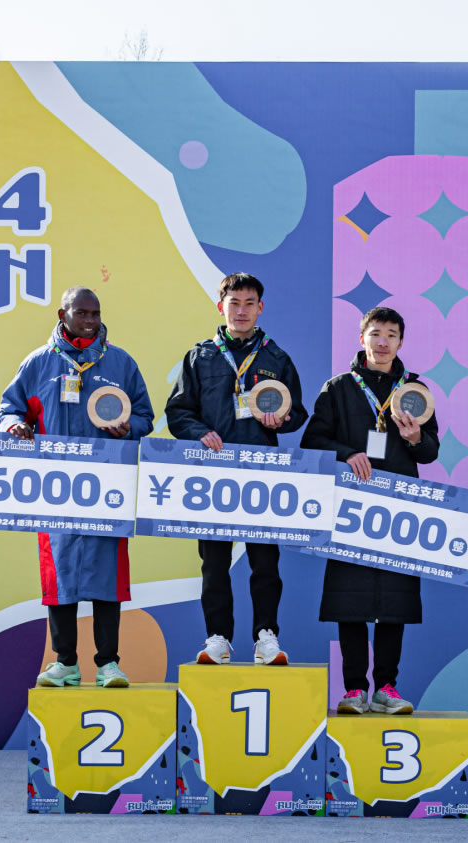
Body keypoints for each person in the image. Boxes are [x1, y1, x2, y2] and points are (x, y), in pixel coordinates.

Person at [0, 287, 154, 689]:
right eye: (81, 312)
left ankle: (108, 664)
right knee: (59, 575)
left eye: (95, 313)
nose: (90, 320)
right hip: (56, 489)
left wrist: (128, 429)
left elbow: (145, 416)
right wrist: (15, 426)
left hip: (108, 487)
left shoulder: (120, 362)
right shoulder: (39, 363)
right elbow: (8, 409)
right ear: (62, 314)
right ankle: (65, 662)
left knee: (108, 577)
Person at [301, 306, 439, 715]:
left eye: (391, 335)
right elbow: (312, 440)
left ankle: (387, 687)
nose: (383, 342)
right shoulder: (339, 388)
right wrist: (347, 453)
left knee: (395, 600)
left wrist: (414, 439)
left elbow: (431, 452)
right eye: (376, 333)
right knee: (352, 600)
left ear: (401, 341)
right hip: (352, 506)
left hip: (398, 507)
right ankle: (354, 689)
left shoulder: (415, 390)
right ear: (362, 338)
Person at [165, 272, 308, 665]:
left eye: (249, 304)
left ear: (260, 308)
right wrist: (200, 432)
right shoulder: (200, 356)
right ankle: (218, 638)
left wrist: (283, 419)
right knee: (214, 563)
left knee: (266, 563)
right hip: (214, 473)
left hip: (262, 473)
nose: (241, 311)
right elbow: (178, 412)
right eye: (234, 303)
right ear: (221, 307)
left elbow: (297, 412)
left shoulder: (276, 358)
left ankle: (266, 637)